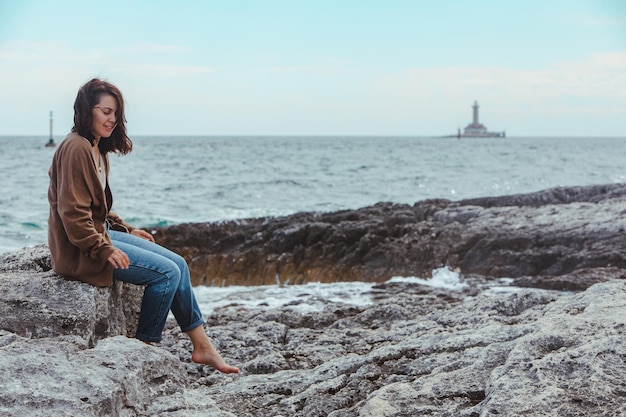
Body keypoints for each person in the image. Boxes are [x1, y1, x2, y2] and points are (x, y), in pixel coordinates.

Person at [48, 78, 239, 374]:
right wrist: (102, 248)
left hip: (101, 234)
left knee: (179, 263)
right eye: (105, 111)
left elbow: (97, 209)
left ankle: (202, 347)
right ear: (87, 111)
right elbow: (72, 213)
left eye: (115, 113)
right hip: (78, 250)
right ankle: (144, 346)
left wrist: (126, 230)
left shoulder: (96, 148)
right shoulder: (76, 148)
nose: (112, 119)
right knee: (165, 274)